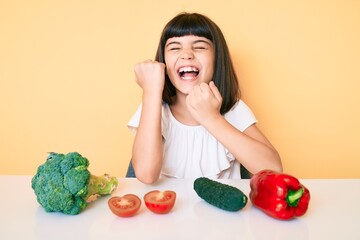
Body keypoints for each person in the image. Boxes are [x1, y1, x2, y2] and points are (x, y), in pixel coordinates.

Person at [128, 12, 282, 184]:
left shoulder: (232, 108)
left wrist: (212, 118)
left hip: (220, 210)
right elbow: (146, 174)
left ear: (217, 58)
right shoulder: (155, 107)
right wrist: (151, 91)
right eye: (174, 47)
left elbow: (274, 169)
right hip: (166, 208)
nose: (187, 54)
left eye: (200, 47)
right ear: (163, 62)